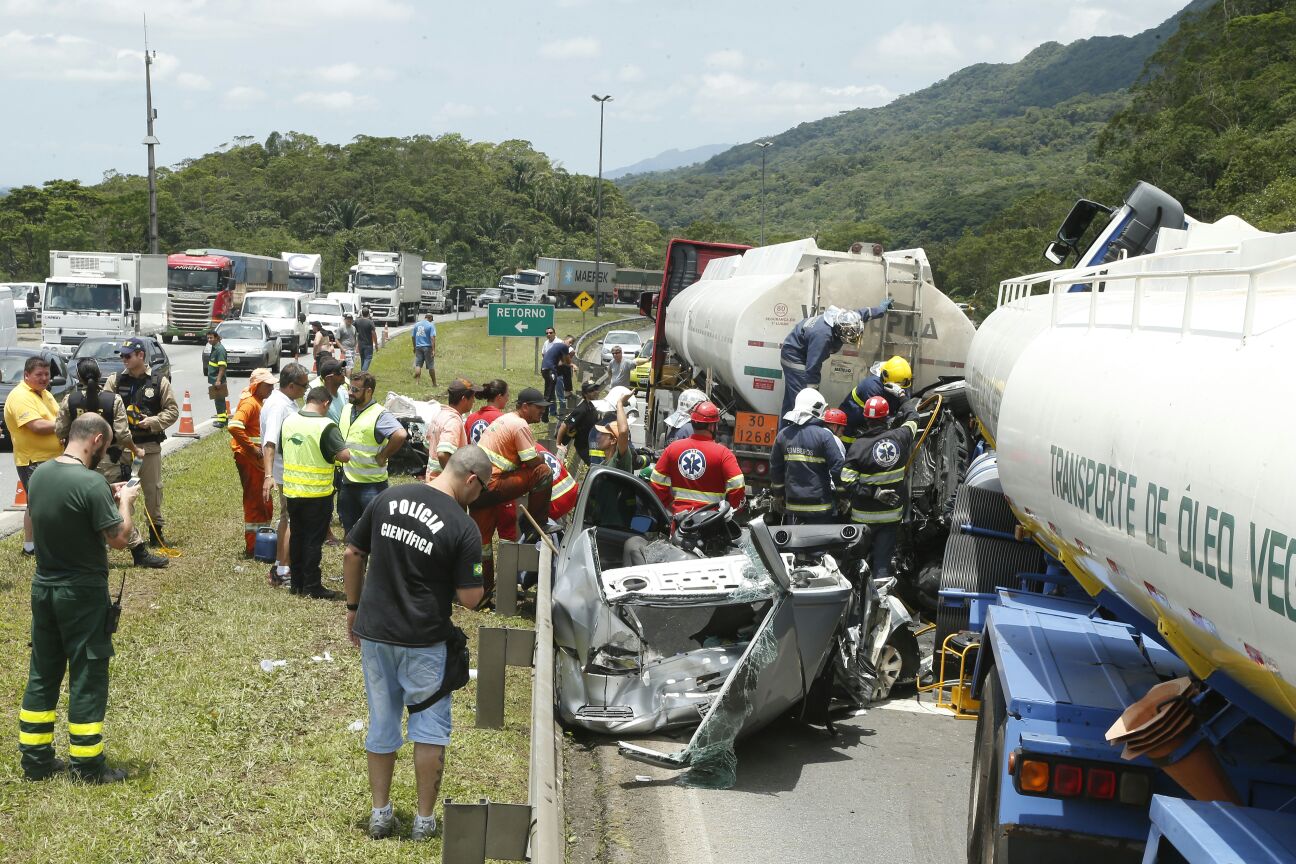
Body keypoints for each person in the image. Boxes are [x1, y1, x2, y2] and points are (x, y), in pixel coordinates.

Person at [344, 445, 488, 841]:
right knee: (429, 729)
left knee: (382, 720)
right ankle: (424, 821)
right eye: (482, 489)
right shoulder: (463, 527)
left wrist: (353, 609)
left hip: (375, 633)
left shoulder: (389, 497)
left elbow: (353, 552)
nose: (479, 497)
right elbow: (470, 598)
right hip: (424, 640)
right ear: (471, 480)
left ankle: (380, 813)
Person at [19, 413, 141, 783]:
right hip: (82, 593)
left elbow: (65, 512)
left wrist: (106, 497)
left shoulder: (40, 475)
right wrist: (125, 501)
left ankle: (36, 761)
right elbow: (119, 538)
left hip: (44, 588)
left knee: (43, 673)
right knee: (87, 674)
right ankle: (87, 766)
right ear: (98, 440)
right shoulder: (91, 483)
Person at [56, 358, 167, 568]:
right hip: (108, 460)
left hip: (76, 463)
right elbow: (123, 434)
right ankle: (139, 552)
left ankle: (81, 552)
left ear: (78, 377)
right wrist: (135, 450)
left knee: (78, 507)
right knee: (115, 506)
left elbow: (60, 430)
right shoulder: (112, 400)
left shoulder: (70, 400)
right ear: (100, 376)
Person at [470, 387, 553, 599]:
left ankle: (481, 590)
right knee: (543, 472)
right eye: (538, 408)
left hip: (476, 491)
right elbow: (532, 461)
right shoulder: (519, 425)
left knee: (481, 545)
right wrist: (542, 458)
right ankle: (536, 525)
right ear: (525, 407)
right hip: (493, 485)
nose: (542, 412)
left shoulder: (504, 420)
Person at [105, 337, 179, 548]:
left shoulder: (158, 381)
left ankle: (155, 531)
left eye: (128, 355)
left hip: (148, 448)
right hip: (121, 449)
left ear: (141, 355)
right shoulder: (115, 381)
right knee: (119, 492)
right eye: (122, 355)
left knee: (152, 490)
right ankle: (122, 533)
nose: (124, 359)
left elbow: (172, 411)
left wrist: (153, 421)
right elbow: (104, 407)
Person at [280, 386, 351, 599]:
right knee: (313, 540)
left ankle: (297, 583)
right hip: (317, 493)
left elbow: (284, 450)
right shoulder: (325, 425)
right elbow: (344, 456)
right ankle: (312, 585)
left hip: (293, 491)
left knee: (297, 536)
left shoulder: (289, 421)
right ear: (326, 403)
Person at [839, 395, 918, 581]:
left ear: (866, 419)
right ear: (887, 417)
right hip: (890, 517)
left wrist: (874, 493)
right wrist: (903, 397)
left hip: (862, 519)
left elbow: (847, 481)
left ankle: (852, 595)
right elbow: (914, 418)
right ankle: (879, 597)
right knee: (882, 565)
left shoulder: (858, 446)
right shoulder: (900, 436)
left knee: (855, 564)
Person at [778, 301, 893, 422]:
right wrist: (813, 394)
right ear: (839, 331)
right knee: (802, 403)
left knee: (790, 401)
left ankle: (784, 430)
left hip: (801, 350)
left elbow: (861, 314)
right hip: (795, 357)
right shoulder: (822, 337)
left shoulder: (845, 319)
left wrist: (880, 309)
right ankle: (800, 431)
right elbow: (813, 368)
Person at [336, 371, 409, 537]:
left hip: (371, 486)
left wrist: (383, 455)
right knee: (349, 531)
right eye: (349, 388)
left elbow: (400, 434)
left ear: (368, 391)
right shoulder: (347, 409)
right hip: (347, 482)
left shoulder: (379, 414)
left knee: (374, 533)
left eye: (355, 390)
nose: (350, 393)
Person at [4, 355, 62, 556]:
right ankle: (34, 547)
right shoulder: (20, 396)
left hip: (53, 457)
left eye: (47, 374)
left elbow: (58, 416)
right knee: (40, 505)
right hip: (34, 460)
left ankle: (35, 545)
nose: (44, 378)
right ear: (26, 375)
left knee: (41, 503)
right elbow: (36, 426)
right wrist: (66, 425)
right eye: (39, 374)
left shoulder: (45, 394)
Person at [260, 363, 309, 587]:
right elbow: (269, 442)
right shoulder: (278, 406)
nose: (305, 390)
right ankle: (283, 569)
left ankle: (282, 564)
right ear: (290, 385)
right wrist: (268, 475)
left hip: (288, 469)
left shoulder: (286, 401)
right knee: (289, 518)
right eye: (303, 386)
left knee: (286, 517)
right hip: (285, 471)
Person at [649, 400, 745, 515]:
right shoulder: (724, 454)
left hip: (680, 520)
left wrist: (671, 507)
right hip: (711, 521)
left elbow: (656, 483)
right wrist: (731, 510)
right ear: (712, 426)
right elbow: (737, 486)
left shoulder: (673, 448)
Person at [770, 388, 844, 525]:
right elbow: (838, 468)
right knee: (819, 539)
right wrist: (843, 496)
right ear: (816, 408)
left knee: (794, 539)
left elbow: (776, 469)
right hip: (820, 509)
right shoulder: (825, 436)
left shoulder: (783, 435)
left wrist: (778, 495)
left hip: (793, 508)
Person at [228, 368, 276, 558]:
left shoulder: (258, 401)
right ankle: (254, 546)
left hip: (257, 461)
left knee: (263, 500)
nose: (271, 388)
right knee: (255, 502)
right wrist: (252, 449)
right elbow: (234, 426)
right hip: (250, 460)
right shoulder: (250, 403)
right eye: (268, 385)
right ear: (257, 385)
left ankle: (261, 540)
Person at [839, 355, 912, 444]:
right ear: (885, 376)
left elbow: (904, 404)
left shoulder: (902, 384)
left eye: (903, 384)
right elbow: (879, 417)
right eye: (897, 384)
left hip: (870, 422)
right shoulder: (871, 387)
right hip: (852, 420)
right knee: (849, 443)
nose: (899, 387)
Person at [424, 378, 477, 481]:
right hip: (444, 485)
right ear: (464, 399)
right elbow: (443, 454)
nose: (474, 401)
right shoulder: (453, 421)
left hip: (432, 480)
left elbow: (427, 446)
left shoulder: (439, 414)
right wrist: (455, 477)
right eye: (472, 398)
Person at [556, 380, 601, 466]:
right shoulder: (581, 410)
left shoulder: (592, 405)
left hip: (592, 443)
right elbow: (564, 425)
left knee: (598, 465)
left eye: (596, 389)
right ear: (585, 394)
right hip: (583, 446)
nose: (595, 392)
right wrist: (558, 444)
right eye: (591, 390)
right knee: (595, 466)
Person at [464, 379, 508, 445]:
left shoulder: (471, 418)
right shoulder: (503, 420)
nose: (507, 399)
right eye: (507, 395)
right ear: (499, 397)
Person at [540, 335, 571, 423]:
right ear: (564, 340)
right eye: (569, 342)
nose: (570, 344)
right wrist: (572, 365)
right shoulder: (564, 346)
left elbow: (561, 362)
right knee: (548, 395)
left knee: (550, 394)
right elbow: (568, 361)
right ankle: (544, 416)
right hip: (550, 371)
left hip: (544, 369)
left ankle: (551, 413)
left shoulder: (556, 346)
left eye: (572, 343)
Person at [206, 329, 229, 428]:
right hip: (215, 379)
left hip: (218, 380)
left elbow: (222, 367)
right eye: (208, 338)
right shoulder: (214, 347)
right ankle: (223, 419)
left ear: (216, 338)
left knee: (219, 401)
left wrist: (218, 380)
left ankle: (222, 422)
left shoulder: (220, 350)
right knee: (219, 400)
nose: (209, 340)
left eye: (211, 338)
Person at [412, 313, 436, 384]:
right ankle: (434, 383)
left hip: (418, 347)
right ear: (430, 318)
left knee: (418, 365)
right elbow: (432, 338)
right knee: (431, 366)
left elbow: (413, 337)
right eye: (431, 320)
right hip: (427, 347)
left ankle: (417, 382)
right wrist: (433, 350)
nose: (431, 321)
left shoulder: (417, 324)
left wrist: (414, 347)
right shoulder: (431, 325)